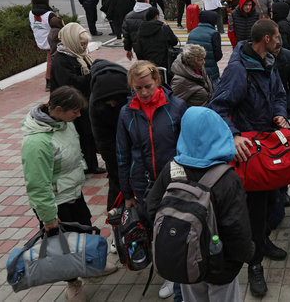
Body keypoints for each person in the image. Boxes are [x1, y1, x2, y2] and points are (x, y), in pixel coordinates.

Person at [208, 19, 289, 298]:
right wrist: (234, 135)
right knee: (253, 208)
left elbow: (278, 93)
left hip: (268, 143)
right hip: (248, 150)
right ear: (266, 39)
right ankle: (254, 264)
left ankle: (263, 242)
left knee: (270, 201)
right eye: (277, 37)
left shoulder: (268, 61)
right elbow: (217, 107)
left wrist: (280, 113)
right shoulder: (238, 70)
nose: (280, 41)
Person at [146, 107, 254, 302]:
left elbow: (153, 207)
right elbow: (236, 227)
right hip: (220, 264)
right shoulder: (227, 178)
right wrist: (246, 254)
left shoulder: (171, 168)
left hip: (186, 259)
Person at [21, 86, 117, 302]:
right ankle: (72, 283)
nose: (79, 115)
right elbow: (37, 184)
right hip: (55, 203)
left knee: (83, 231)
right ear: (57, 109)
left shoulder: (64, 123)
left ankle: (89, 266)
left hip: (73, 192)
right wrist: (48, 217)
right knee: (63, 244)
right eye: (74, 111)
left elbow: (73, 150)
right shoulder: (37, 142)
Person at [116, 60, 187, 299]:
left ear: (157, 80)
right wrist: (126, 194)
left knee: (176, 229)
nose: (144, 93)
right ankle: (166, 271)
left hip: (175, 180)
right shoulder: (126, 113)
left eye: (147, 86)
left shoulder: (177, 106)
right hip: (143, 184)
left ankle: (178, 273)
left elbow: (187, 145)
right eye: (138, 89)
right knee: (156, 231)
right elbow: (122, 154)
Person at [50, 22, 105, 175]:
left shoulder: (79, 56)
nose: (84, 47)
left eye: (86, 44)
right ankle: (88, 165)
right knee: (81, 135)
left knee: (87, 134)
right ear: (72, 42)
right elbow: (70, 83)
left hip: (83, 103)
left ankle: (90, 164)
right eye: (81, 44)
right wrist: (91, 76)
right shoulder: (62, 59)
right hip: (70, 106)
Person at [88, 59, 129, 219]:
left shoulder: (129, 90)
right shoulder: (96, 102)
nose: (112, 104)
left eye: (116, 100)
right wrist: (113, 162)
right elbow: (102, 139)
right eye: (108, 102)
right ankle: (116, 219)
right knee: (117, 178)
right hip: (112, 142)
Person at [29, 0, 56, 91]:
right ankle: (49, 81)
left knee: (50, 60)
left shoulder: (31, 13)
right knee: (51, 61)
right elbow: (57, 26)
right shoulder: (49, 14)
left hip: (40, 39)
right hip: (51, 40)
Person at [187, 10, 223, 83]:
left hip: (193, 71)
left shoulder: (192, 32)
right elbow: (218, 55)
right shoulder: (214, 34)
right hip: (210, 74)